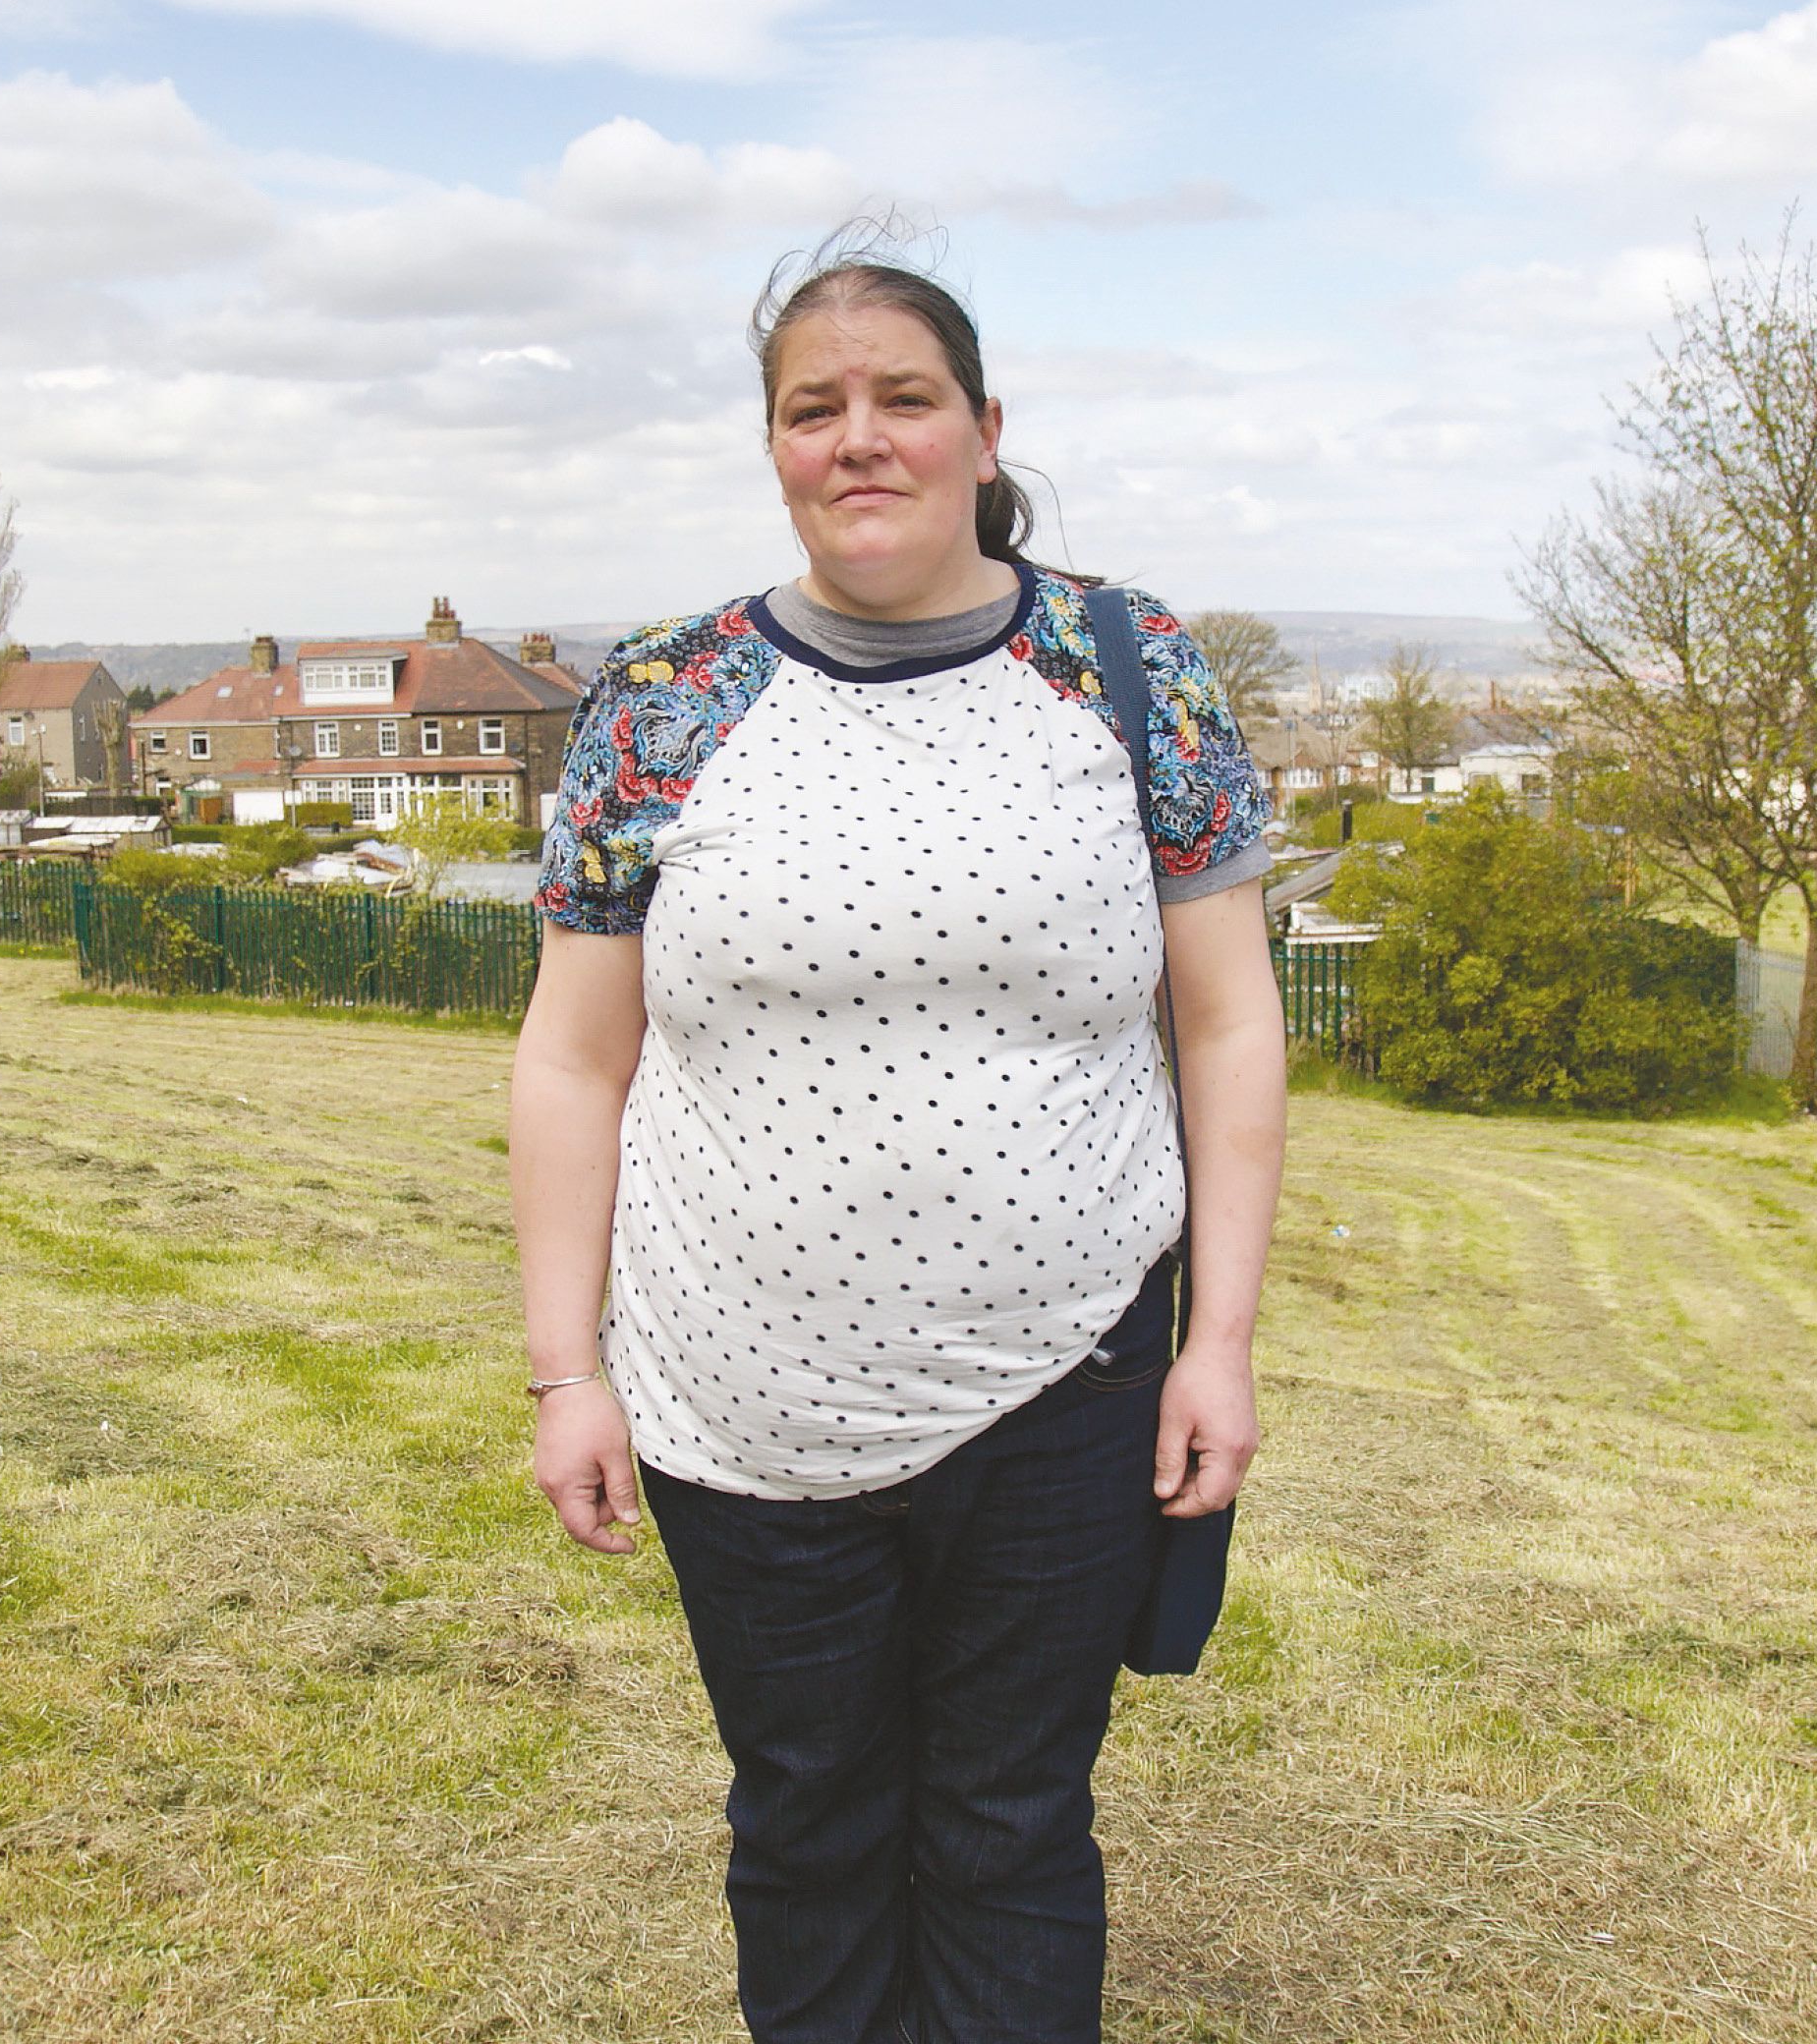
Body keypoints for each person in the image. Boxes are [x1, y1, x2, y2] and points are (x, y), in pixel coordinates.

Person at [505, 241, 1288, 2044]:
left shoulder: (1129, 666)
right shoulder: (663, 699)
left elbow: (1232, 1023)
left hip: (1070, 1387)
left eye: (904, 398)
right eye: (815, 409)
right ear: (775, 447)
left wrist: (1223, 1343)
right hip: (736, 1404)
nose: (859, 437)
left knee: (1012, 1825)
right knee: (807, 1822)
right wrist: (567, 1373)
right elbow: (571, 1058)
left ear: (984, 430)